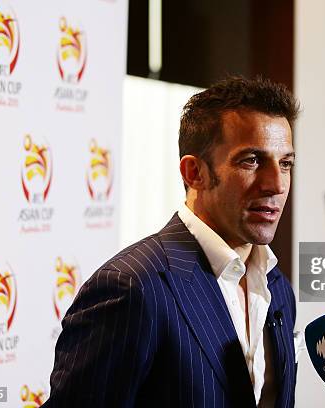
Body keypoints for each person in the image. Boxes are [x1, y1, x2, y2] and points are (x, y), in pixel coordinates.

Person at [44, 76, 300, 407]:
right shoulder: (133, 287)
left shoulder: (276, 287)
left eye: (286, 164)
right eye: (251, 160)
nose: (276, 184)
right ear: (194, 173)